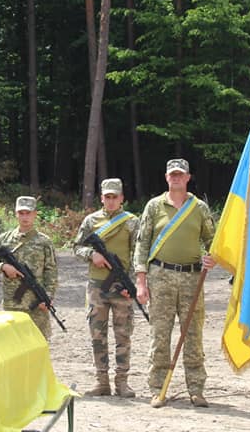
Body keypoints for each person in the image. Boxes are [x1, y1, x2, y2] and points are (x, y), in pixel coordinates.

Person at [133, 158, 216, 409]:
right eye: (173, 174)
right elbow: (142, 244)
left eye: (181, 174)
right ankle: (158, 388)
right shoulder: (154, 206)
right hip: (161, 276)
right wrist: (141, 281)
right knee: (160, 335)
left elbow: (212, 240)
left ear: (188, 178)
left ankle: (196, 389)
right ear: (167, 178)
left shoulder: (199, 208)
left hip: (192, 278)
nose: (176, 178)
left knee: (193, 335)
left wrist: (213, 257)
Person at [73, 178, 139, 397]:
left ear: (122, 198)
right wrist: (92, 255)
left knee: (123, 334)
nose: (111, 201)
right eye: (107, 197)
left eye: (115, 197)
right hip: (96, 287)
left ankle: (122, 382)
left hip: (121, 287)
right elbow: (77, 247)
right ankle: (102, 382)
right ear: (102, 198)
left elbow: (138, 254)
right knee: (97, 335)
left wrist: (132, 283)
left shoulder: (131, 222)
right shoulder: (91, 221)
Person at [0, 196, 58, 340]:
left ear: (35, 214)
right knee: (12, 344)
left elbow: (51, 272)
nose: (25, 217)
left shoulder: (44, 242)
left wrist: (48, 297)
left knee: (38, 344)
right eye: (21, 213)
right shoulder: (4, 239)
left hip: (37, 305)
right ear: (16, 213)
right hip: (12, 303)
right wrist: (3, 266)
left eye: (28, 213)